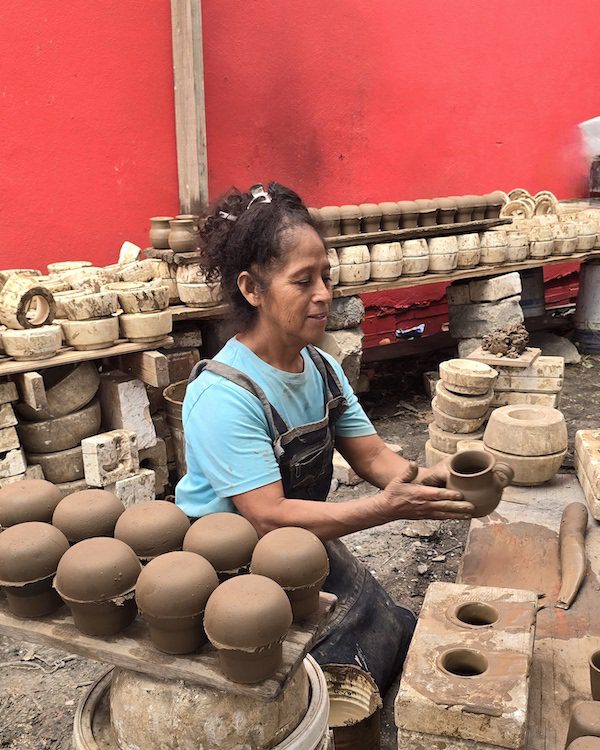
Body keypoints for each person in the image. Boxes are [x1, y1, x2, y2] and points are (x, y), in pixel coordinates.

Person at [175, 182, 474, 695]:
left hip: (298, 540)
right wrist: (388, 509)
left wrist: (439, 480)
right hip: (233, 565)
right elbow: (266, 514)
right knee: (327, 681)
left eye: (326, 277)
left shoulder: (322, 367)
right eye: (302, 281)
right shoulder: (225, 395)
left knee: (389, 629)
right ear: (252, 289)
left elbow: (373, 455)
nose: (324, 295)